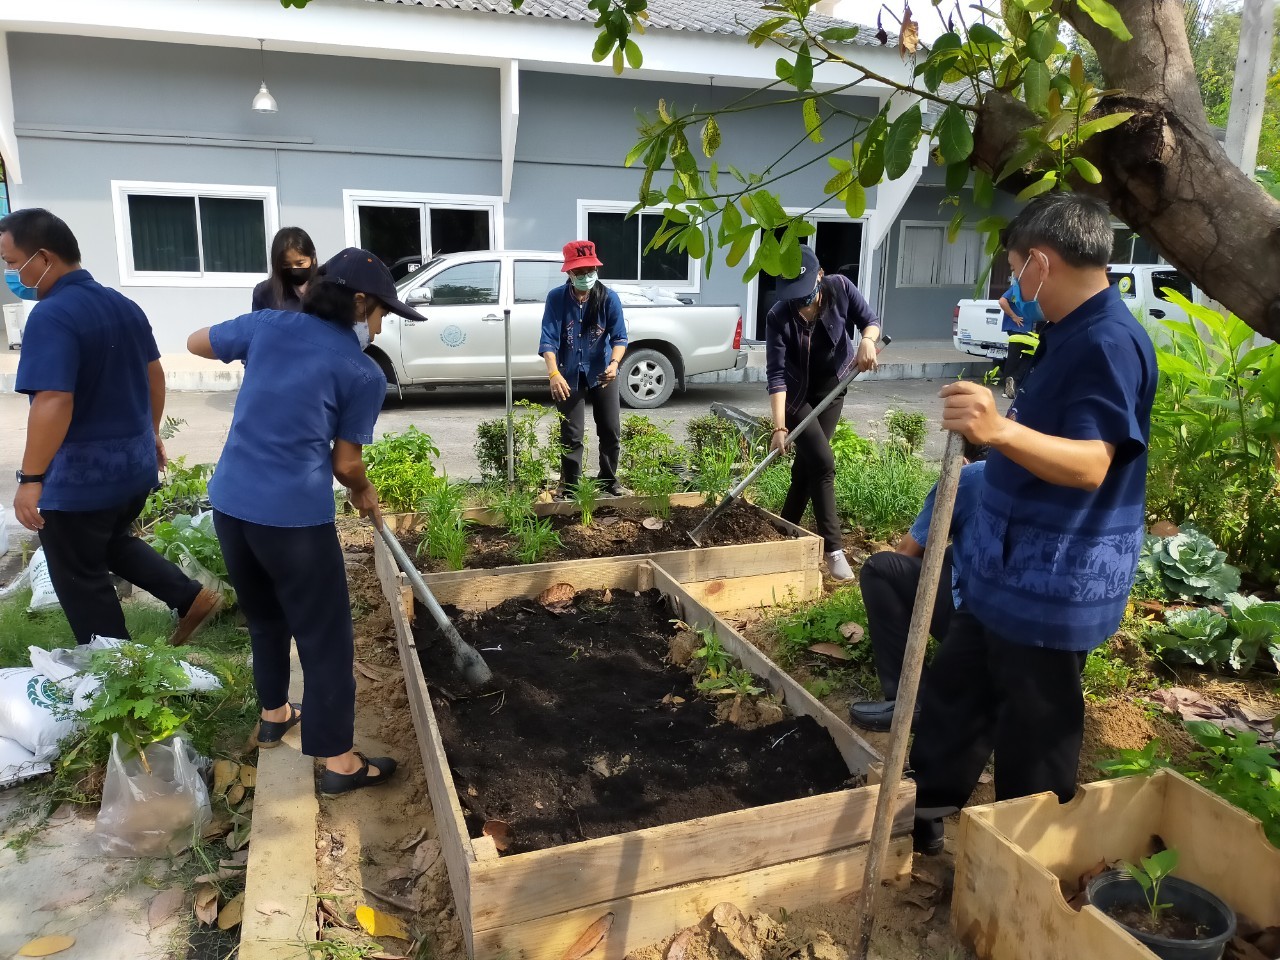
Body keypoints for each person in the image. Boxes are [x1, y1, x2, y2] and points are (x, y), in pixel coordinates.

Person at [909, 193, 1157, 856]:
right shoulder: (1065, 334)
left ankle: (1021, 867)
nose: (1014, 287)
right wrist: (999, 441)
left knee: (1035, 732)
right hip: (1003, 576)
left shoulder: (1108, 343)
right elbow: (1041, 439)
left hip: (1053, 585)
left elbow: (1090, 464)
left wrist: (999, 429)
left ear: (1042, 265)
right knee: (954, 699)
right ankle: (926, 817)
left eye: (1016, 271)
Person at [186, 247, 420, 795]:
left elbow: (198, 341)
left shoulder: (268, 325)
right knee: (327, 638)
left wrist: (252, 346)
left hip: (231, 505)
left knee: (266, 617)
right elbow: (345, 464)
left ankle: (274, 713)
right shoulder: (361, 373)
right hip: (292, 520)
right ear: (359, 303)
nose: (381, 324)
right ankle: (339, 764)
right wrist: (364, 491)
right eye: (381, 312)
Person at [4, 208, 221, 646]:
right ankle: (190, 597)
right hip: (131, 471)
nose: (11, 273)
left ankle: (118, 674)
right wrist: (151, 433)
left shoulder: (51, 315)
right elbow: (154, 374)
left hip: (80, 481)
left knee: (78, 575)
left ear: (43, 257)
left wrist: (31, 479)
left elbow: (53, 399)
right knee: (107, 543)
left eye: (12, 262)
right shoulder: (122, 304)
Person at [849, 451, 986, 733]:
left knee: (881, 570)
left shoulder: (974, 476)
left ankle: (912, 702)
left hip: (980, 629)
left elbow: (908, 550)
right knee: (952, 553)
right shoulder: (1059, 478)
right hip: (1042, 642)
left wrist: (952, 481)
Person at [765, 245, 880, 581]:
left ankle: (782, 533)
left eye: (804, 297)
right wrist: (779, 427)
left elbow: (869, 321)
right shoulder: (778, 316)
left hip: (832, 391)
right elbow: (776, 376)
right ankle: (833, 549)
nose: (800, 305)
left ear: (819, 276)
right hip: (796, 398)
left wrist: (867, 341)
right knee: (824, 463)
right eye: (793, 298)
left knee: (807, 467)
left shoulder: (840, 288)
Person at [539, 240, 629, 497]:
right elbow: (548, 340)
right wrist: (554, 373)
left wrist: (614, 364)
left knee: (610, 429)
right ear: (568, 273)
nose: (585, 276)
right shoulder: (556, 298)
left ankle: (608, 481)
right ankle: (570, 487)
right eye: (579, 272)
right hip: (568, 374)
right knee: (572, 434)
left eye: (590, 270)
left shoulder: (608, 298)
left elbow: (620, 338)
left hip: (602, 372)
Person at [251, 227, 318, 312]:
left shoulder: (328, 288)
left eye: (300, 263)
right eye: (286, 265)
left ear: (313, 258)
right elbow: (258, 323)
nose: (294, 269)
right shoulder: (264, 292)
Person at [996, 277, 1043, 399]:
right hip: (1019, 328)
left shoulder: (1033, 289)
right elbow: (1002, 301)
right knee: (1018, 357)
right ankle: (1011, 384)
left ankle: (1014, 381)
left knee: (1027, 356)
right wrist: (1014, 316)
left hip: (1028, 331)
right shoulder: (1018, 288)